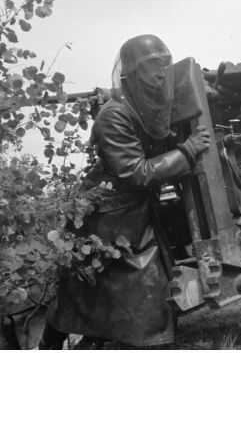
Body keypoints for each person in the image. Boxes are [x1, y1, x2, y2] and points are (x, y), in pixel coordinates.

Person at [40, 34, 211, 349]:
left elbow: (163, 126)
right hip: (108, 222)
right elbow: (136, 172)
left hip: (132, 216)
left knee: (95, 296)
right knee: (118, 294)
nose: (161, 73)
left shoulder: (145, 105)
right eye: (151, 66)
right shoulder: (114, 115)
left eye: (164, 64)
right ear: (130, 74)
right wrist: (186, 152)